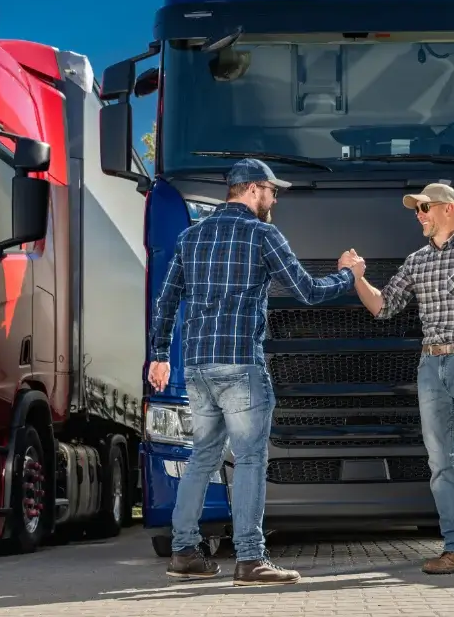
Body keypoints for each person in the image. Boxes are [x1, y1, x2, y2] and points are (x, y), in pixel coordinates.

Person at [147, 158, 365, 587]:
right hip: (241, 364)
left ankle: (185, 552)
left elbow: (166, 302)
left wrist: (158, 354)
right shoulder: (262, 234)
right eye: (271, 190)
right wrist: (347, 275)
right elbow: (306, 291)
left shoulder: (190, 238)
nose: (275, 197)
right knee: (248, 459)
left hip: (197, 367)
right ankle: (250, 559)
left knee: (202, 459)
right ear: (251, 190)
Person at [347, 182, 454, 580]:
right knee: (440, 462)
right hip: (430, 367)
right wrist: (358, 276)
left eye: (424, 208)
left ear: (447, 209)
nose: (419, 215)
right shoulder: (416, 262)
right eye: (416, 210)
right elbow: (383, 305)